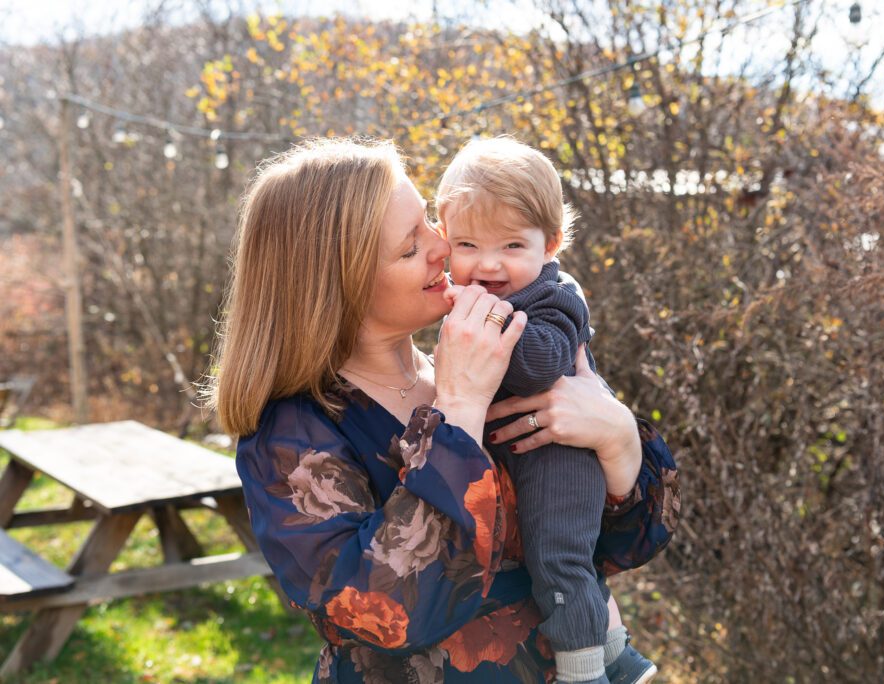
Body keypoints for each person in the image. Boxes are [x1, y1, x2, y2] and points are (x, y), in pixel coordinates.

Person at [206, 137, 680, 683]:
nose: (443, 248)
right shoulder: (294, 435)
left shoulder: (487, 367)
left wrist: (617, 438)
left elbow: (623, 544)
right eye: (410, 248)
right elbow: (390, 615)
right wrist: (459, 412)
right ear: (339, 284)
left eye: (430, 222)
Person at [435, 137, 656, 684]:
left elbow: (538, 365)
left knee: (559, 565)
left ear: (550, 244)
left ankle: (585, 674)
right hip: (528, 457)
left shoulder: (555, 299)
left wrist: (478, 313)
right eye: (467, 244)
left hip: (563, 462)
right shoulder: (494, 294)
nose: (488, 264)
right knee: (552, 560)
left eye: (512, 245)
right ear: (444, 242)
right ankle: (620, 657)